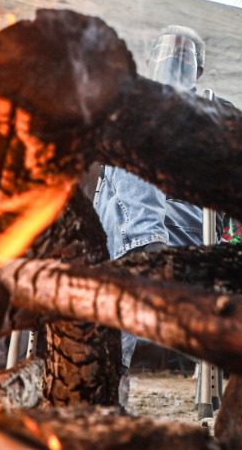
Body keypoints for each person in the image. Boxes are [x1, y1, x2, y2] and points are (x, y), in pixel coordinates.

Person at [94, 25, 209, 368]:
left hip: (184, 218)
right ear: (151, 58)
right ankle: (146, 250)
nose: (173, 60)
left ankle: (109, 377)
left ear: (199, 70)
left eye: (182, 55)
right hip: (123, 217)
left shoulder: (214, 109)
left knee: (120, 229)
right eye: (167, 52)